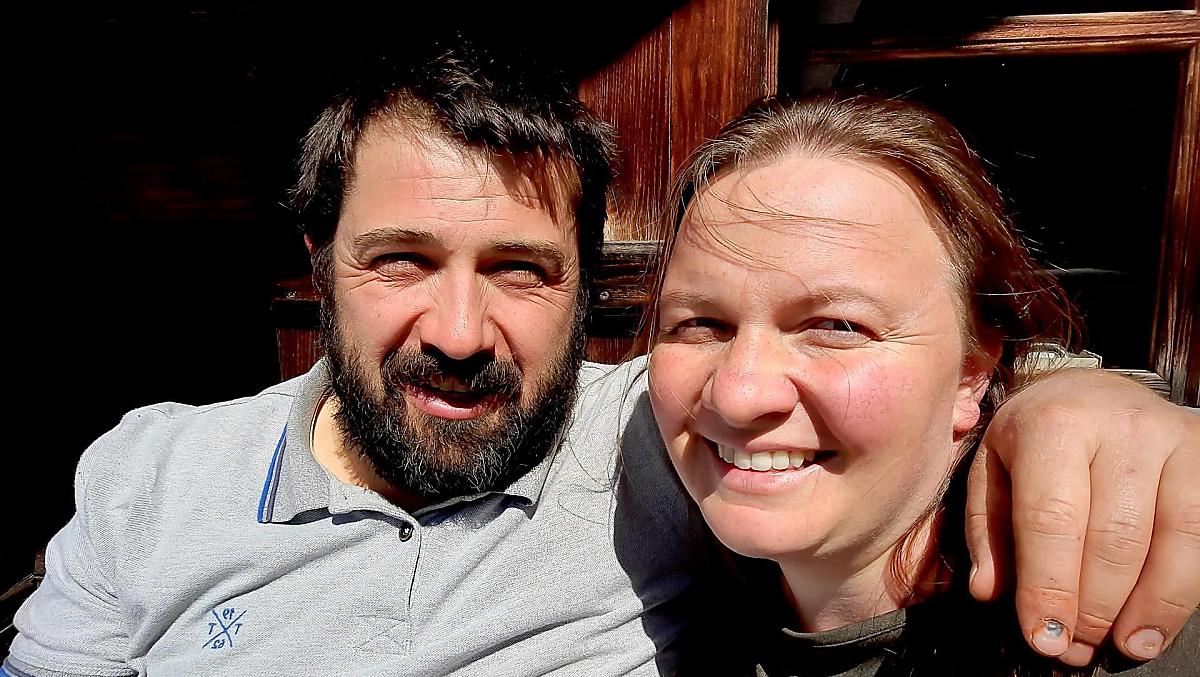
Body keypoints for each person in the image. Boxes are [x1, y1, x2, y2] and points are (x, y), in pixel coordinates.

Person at [5, 43, 1199, 677]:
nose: (460, 332)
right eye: (401, 260)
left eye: (521, 269)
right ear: (319, 264)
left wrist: (1078, 392)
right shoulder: (149, 472)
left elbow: (887, 405)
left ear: (586, 289)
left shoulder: (659, 436)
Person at [647, 93, 1200, 675]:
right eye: (699, 323)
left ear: (973, 368)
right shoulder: (684, 606)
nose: (738, 395)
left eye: (837, 327)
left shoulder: (1128, 620)